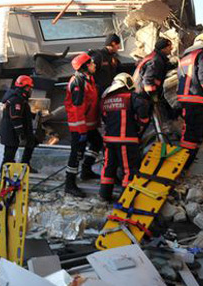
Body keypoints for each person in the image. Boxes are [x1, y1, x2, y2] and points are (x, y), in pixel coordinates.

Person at [100, 73, 150, 201]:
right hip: (126, 140)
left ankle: (104, 195)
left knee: (108, 167)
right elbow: (143, 111)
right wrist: (141, 123)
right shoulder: (131, 97)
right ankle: (125, 198)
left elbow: (104, 118)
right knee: (129, 169)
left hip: (109, 141)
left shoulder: (106, 99)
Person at [64, 52, 102, 198]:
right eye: (91, 63)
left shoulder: (89, 79)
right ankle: (69, 184)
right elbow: (77, 108)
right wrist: (81, 131)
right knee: (76, 154)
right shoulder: (78, 83)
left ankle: (86, 170)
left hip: (89, 124)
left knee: (97, 142)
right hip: (79, 125)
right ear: (85, 67)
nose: (94, 64)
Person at [0, 75, 37, 171]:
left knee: (32, 142)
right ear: (25, 88)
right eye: (29, 88)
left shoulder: (19, 98)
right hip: (11, 133)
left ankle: (25, 165)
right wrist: (21, 135)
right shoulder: (17, 100)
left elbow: (22, 113)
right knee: (9, 155)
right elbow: (15, 118)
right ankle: (4, 175)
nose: (30, 90)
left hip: (14, 131)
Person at [177, 34, 203, 169]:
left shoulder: (185, 57)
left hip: (185, 98)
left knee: (190, 128)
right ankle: (186, 163)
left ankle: (183, 162)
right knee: (192, 132)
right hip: (197, 98)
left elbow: (179, 77)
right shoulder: (201, 54)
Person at [134, 38, 174, 119]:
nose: (171, 49)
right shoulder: (156, 60)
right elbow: (148, 79)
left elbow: (161, 68)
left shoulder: (156, 57)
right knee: (154, 115)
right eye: (170, 47)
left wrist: (173, 64)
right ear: (164, 48)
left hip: (143, 91)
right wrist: (153, 96)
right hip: (143, 94)